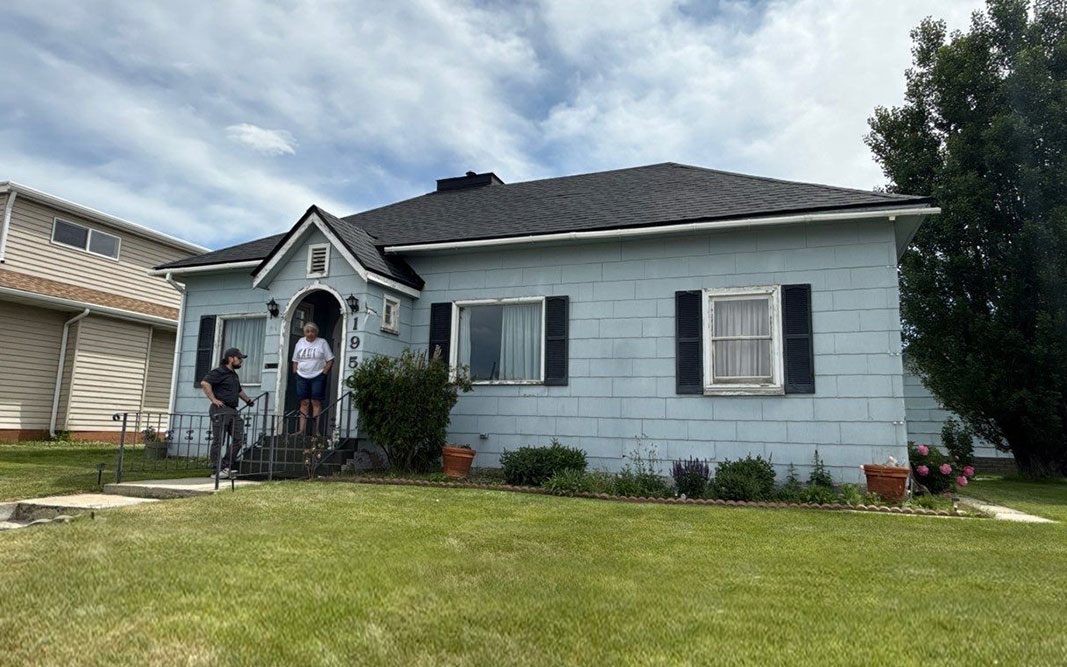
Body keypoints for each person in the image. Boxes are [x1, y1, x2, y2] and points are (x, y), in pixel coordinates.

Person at [200, 347, 256, 479]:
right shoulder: (219, 372)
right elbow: (204, 383)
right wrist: (213, 399)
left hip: (232, 410)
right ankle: (216, 470)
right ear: (231, 358)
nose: (241, 361)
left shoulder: (234, 375)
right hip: (220, 409)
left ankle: (225, 466)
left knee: (239, 438)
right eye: (239, 358)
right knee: (219, 440)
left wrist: (248, 400)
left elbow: (238, 390)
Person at [292, 322, 334, 435]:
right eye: (307, 331)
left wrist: (324, 373)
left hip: (317, 376)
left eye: (312, 331)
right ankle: (301, 430)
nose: (310, 334)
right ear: (304, 332)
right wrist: (295, 373)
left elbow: (330, 360)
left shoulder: (322, 342)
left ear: (316, 332)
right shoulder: (300, 342)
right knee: (304, 402)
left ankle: (316, 431)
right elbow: (295, 360)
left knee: (315, 401)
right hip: (301, 376)